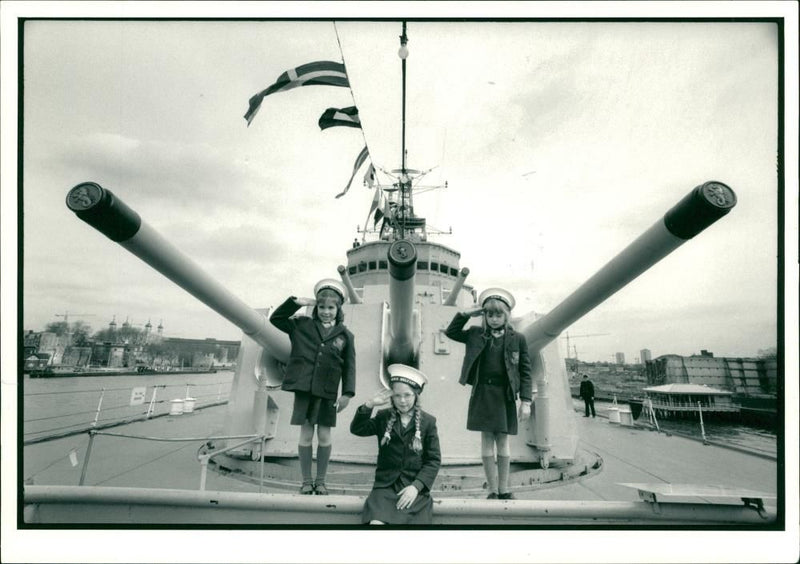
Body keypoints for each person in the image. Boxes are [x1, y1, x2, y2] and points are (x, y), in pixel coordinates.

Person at [270, 279, 356, 495]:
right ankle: (307, 480)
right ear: (316, 308)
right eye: (322, 307)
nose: (326, 312)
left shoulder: (346, 335)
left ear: (338, 309)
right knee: (306, 436)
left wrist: (347, 394)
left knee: (325, 437)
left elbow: (350, 367)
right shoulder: (302, 325)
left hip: (327, 393)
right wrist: (296, 302)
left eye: (331, 307)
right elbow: (276, 319)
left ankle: (321, 481)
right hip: (305, 390)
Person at [445, 288, 532, 500]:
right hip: (483, 392)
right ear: (484, 316)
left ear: (506, 316)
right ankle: (492, 490)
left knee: (503, 441)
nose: (494, 319)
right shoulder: (475, 334)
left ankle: (504, 489)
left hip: (505, 394)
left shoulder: (517, 339)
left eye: (498, 314)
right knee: (486, 441)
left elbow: (525, 371)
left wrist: (526, 401)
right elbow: (451, 332)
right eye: (489, 314)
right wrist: (465, 314)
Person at [350, 364, 441, 524]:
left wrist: (416, 487)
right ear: (392, 397)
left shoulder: (428, 422)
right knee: (376, 524)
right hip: (385, 488)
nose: (403, 400)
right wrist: (369, 405)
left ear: (416, 395)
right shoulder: (383, 417)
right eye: (397, 396)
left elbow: (433, 460)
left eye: (408, 395)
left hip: (413, 490)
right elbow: (358, 429)